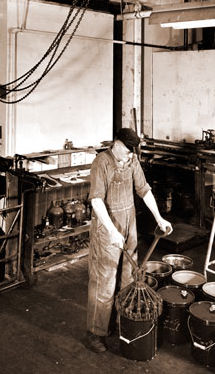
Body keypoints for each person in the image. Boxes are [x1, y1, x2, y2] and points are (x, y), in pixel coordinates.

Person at [86, 128, 173, 352]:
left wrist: (159, 218)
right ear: (116, 143)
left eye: (132, 153)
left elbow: (144, 190)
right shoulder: (101, 163)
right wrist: (112, 231)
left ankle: (120, 322)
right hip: (107, 227)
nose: (128, 156)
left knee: (128, 277)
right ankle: (95, 332)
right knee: (104, 281)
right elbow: (96, 200)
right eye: (126, 151)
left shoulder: (132, 160)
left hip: (129, 223)